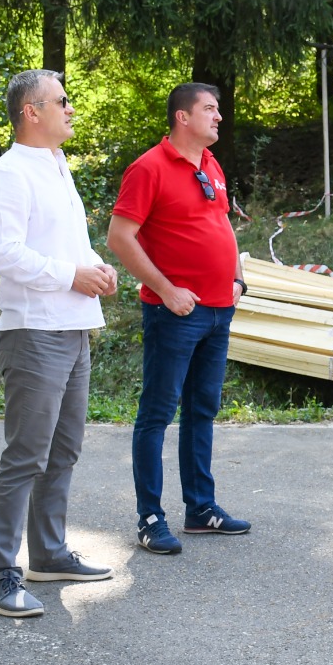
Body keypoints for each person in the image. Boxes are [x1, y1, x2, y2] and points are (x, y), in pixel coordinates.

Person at [0, 69, 117, 618]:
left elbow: (64, 247)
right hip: (34, 332)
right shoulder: (8, 174)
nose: (71, 108)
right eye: (61, 101)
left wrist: (95, 270)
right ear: (30, 112)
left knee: (64, 451)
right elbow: (2, 254)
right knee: (25, 458)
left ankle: (49, 553)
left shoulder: (56, 166)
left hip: (72, 327)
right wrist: (70, 275)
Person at [107, 82, 250, 556]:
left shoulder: (210, 164)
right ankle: (150, 517)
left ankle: (201, 508)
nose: (219, 116)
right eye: (210, 109)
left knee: (202, 410)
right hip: (176, 313)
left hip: (217, 310)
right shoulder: (148, 168)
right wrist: (167, 291)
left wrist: (237, 279)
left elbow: (222, 225)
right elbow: (121, 237)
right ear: (182, 118)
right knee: (156, 415)